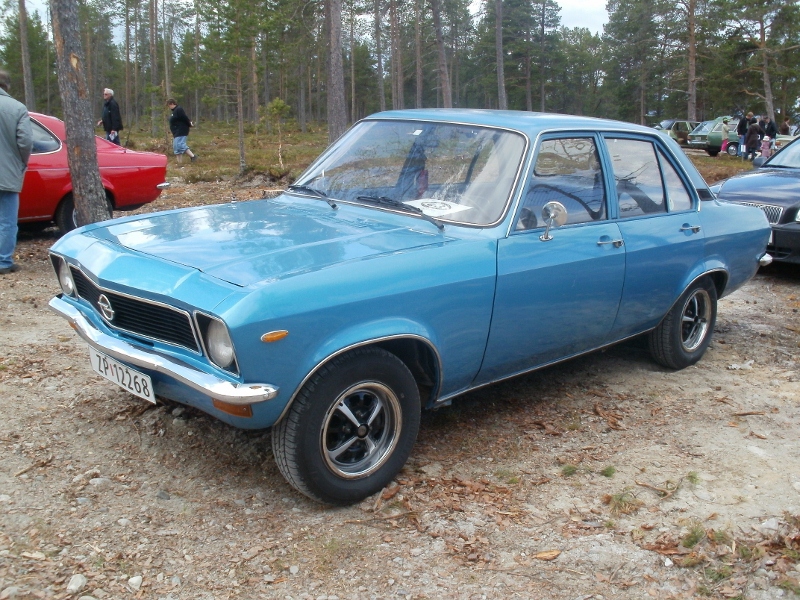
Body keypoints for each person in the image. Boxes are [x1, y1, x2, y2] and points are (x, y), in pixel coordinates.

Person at [0, 69, 33, 275]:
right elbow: (26, 141)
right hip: (7, 173)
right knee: (7, 221)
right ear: (7, 86)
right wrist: (20, 162)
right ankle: (3, 261)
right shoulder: (17, 108)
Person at [167, 99, 197, 163]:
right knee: (176, 147)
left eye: (169, 105)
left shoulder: (179, 109)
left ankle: (193, 156)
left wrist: (189, 124)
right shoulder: (174, 111)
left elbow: (185, 118)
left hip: (181, 130)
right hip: (176, 132)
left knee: (180, 144)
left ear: (172, 104)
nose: (169, 107)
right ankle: (179, 163)